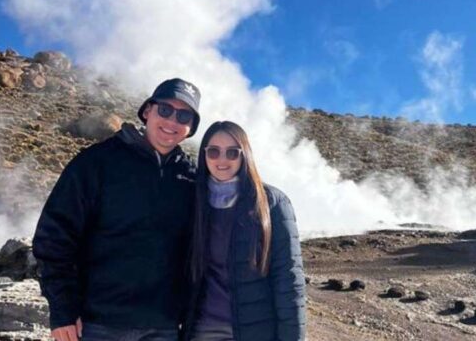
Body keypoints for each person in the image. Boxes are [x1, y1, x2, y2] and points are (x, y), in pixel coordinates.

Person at [32, 78, 201, 341]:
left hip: (164, 328)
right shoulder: (97, 162)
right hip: (99, 324)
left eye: (183, 116)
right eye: (165, 110)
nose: (172, 122)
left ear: (190, 128)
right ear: (147, 111)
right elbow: (54, 237)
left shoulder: (192, 179)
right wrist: (63, 310)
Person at [185, 121, 306, 341]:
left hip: (256, 332)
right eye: (213, 152)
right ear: (204, 155)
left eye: (232, 152)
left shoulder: (272, 203)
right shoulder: (193, 200)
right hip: (202, 331)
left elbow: (288, 282)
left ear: (245, 155)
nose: (222, 160)